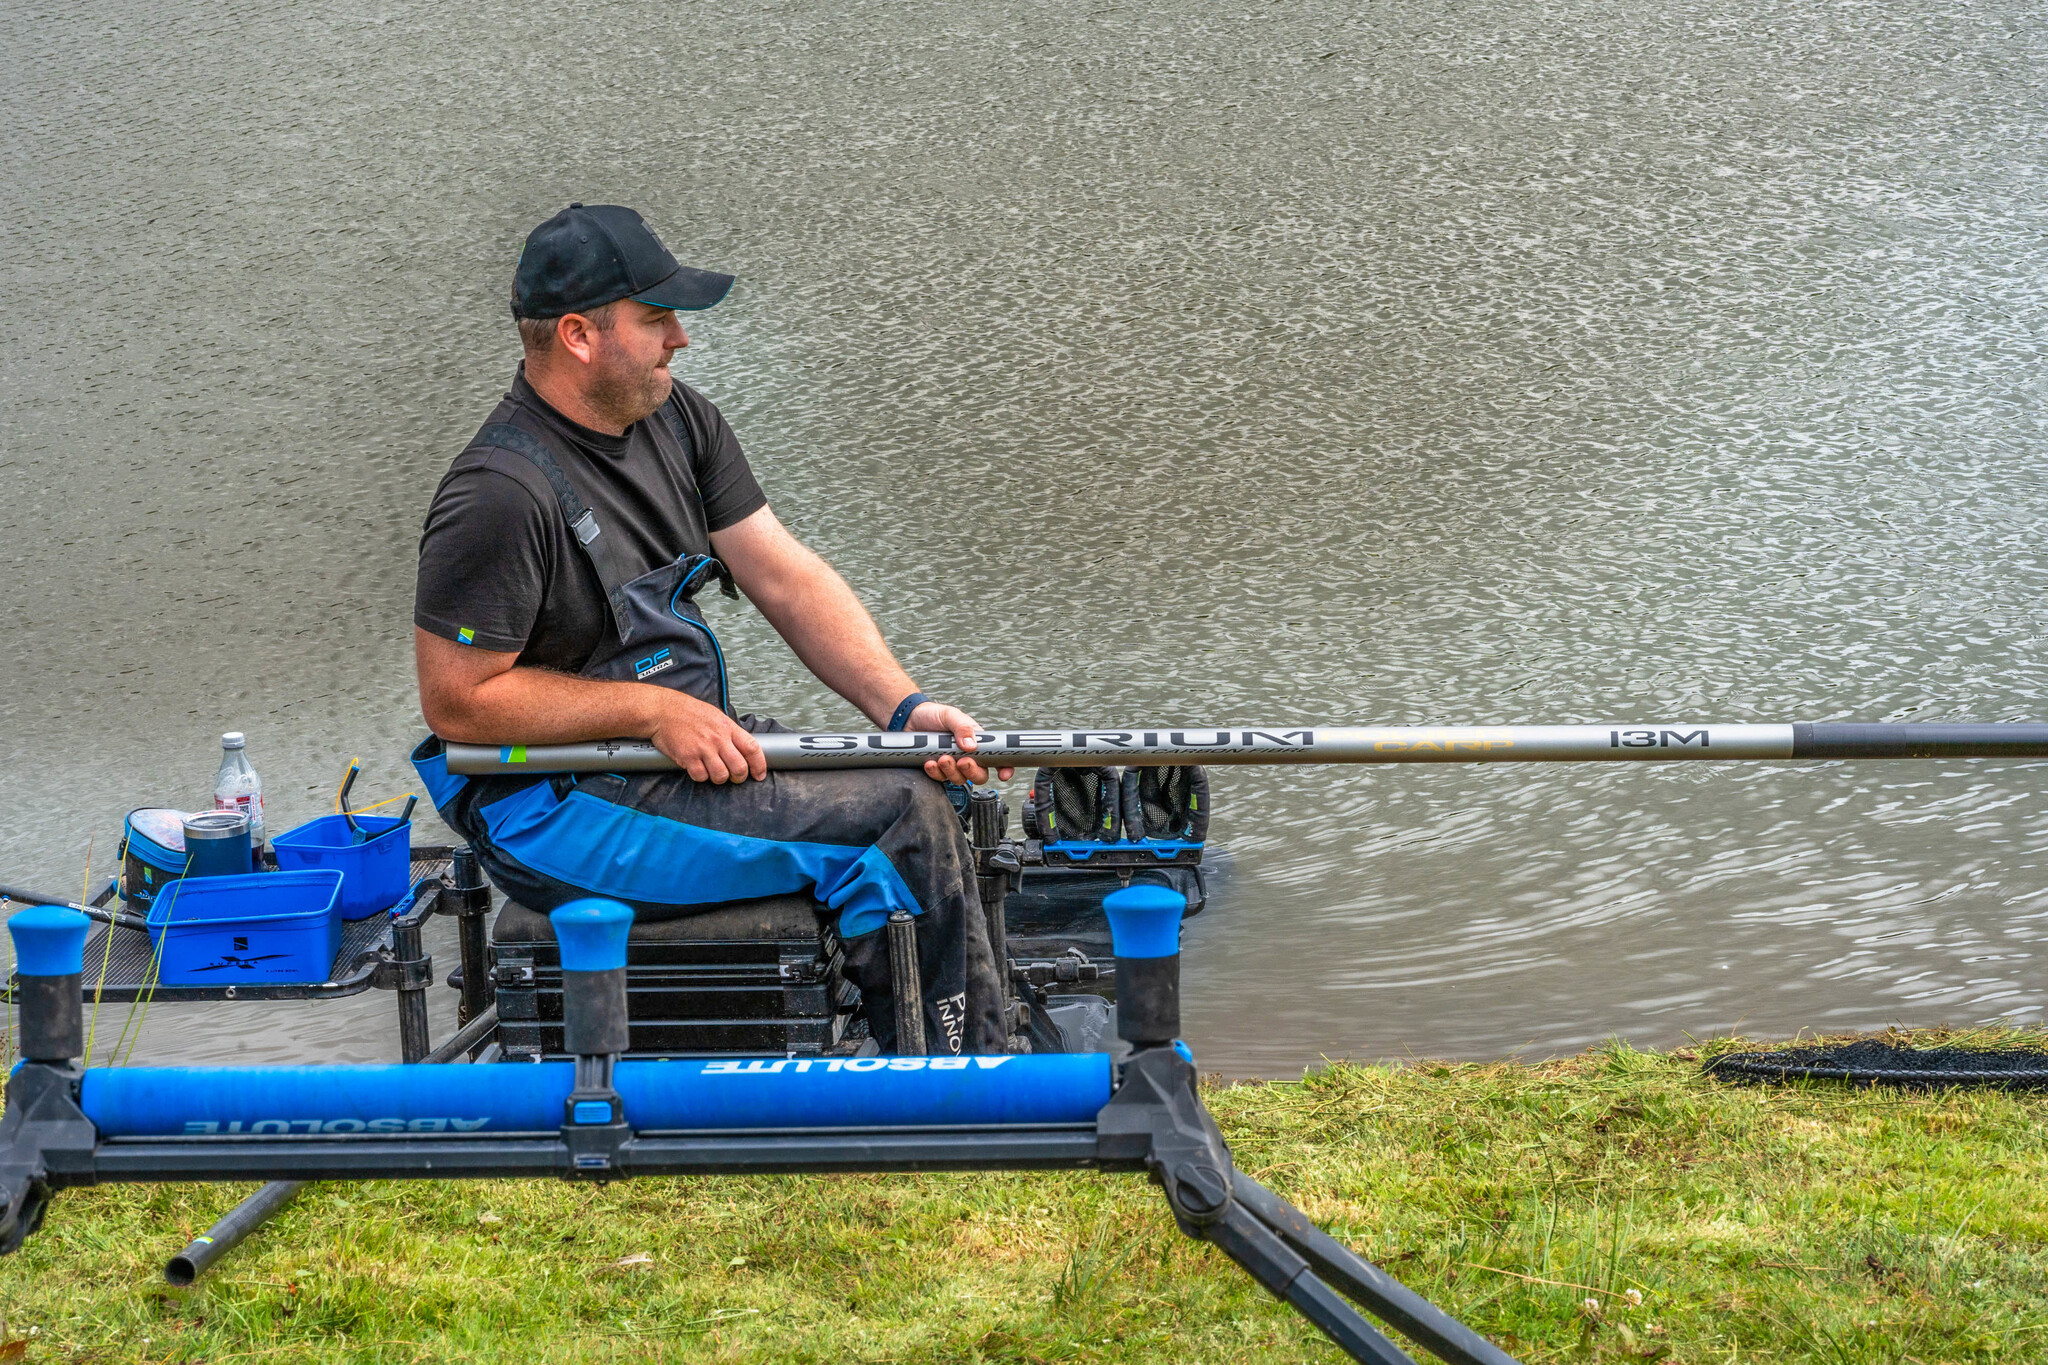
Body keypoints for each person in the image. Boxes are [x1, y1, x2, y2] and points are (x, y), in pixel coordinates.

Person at [409, 203, 1008, 1055]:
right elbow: (458, 703)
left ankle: (932, 1067)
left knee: (921, 777)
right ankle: (966, 1089)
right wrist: (650, 710)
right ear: (578, 336)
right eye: (656, 318)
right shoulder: (498, 494)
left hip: (668, 768)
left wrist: (903, 709)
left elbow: (785, 578)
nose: (680, 338)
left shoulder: (678, 420)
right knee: (900, 820)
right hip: (554, 809)